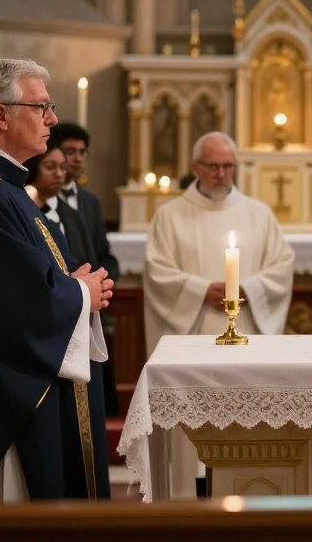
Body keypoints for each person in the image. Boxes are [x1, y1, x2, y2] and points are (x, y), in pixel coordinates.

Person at [0, 58, 111, 501]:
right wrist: (79, 294)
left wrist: (68, 284)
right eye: (41, 107)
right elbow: (7, 309)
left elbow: (10, 279)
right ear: (1, 115)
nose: (52, 119)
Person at [144, 130, 295, 497]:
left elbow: (282, 266)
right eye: (213, 166)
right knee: (189, 443)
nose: (221, 174)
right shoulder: (170, 216)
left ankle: (252, 493)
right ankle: (185, 506)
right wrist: (199, 290)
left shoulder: (258, 214)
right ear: (195, 166)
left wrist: (248, 289)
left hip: (247, 337)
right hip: (193, 340)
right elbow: (157, 271)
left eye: (228, 166)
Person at [23, 138, 111, 498]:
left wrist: (94, 283)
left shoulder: (74, 211)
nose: (61, 173)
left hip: (81, 302)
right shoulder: (18, 204)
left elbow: (92, 254)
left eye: (65, 167)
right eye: (51, 166)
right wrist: (77, 290)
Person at [50, 121, 120, 416]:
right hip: (69, 296)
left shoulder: (89, 202)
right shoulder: (40, 199)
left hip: (93, 298)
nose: (77, 158)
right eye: (70, 151)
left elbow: (104, 253)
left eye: (82, 152)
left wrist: (104, 279)